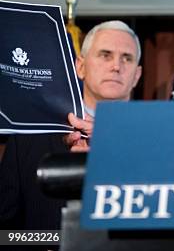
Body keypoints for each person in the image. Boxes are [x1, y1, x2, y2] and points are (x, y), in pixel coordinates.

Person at [0, 20, 142, 232]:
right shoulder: (29, 138)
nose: (116, 66)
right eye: (105, 55)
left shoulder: (156, 141)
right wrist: (48, 243)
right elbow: (5, 233)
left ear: (136, 75)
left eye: (127, 58)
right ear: (80, 66)